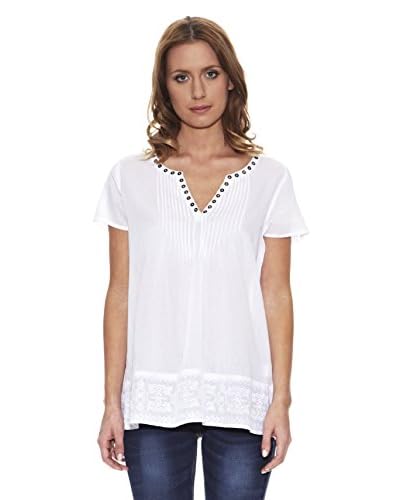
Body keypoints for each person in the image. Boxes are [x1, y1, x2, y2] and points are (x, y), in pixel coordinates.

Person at [93, 15, 309, 500]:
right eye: (181, 77)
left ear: (230, 79)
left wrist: (281, 399)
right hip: (153, 401)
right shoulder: (130, 178)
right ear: (164, 88)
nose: (197, 91)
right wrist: (112, 402)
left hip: (242, 397)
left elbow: (276, 292)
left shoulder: (270, 179)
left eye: (210, 73)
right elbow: (120, 291)